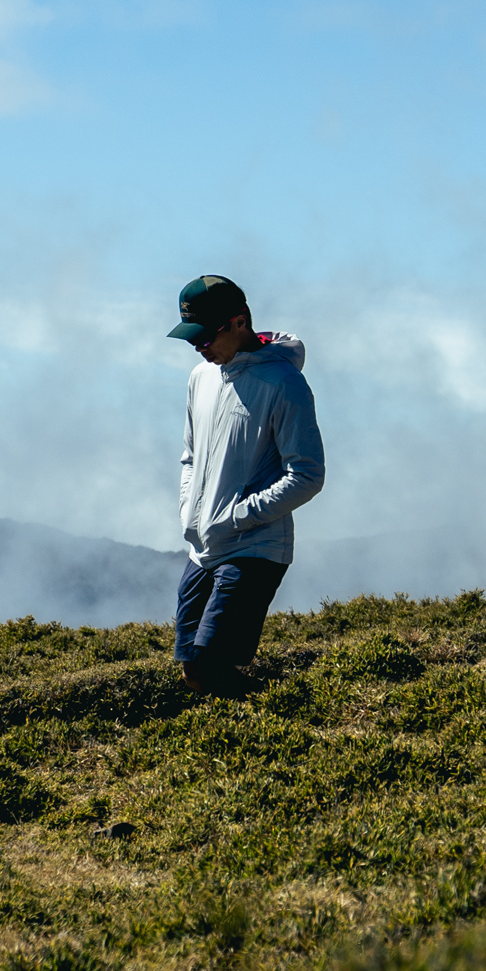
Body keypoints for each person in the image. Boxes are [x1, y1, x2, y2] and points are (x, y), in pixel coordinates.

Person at [167, 275, 325, 695]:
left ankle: (290, 732)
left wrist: (239, 516)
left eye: (205, 336)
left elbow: (308, 475)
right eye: (191, 338)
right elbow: (190, 456)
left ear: (239, 322)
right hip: (202, 547)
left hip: (255, 546)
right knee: (191, 671)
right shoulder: (200, 377)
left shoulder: (284, 383)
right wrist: (189, 512)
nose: (199, 347)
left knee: (212, 663)